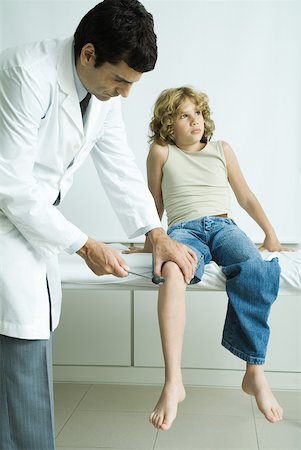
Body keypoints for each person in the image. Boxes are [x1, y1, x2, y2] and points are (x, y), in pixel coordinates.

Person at [0, 3, 197, 449]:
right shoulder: (26, 73)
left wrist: (155, 232)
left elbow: (119, 164)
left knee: (28, 353)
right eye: (122, 81)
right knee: (22, 359)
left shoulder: (103, 92)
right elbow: (11, 186)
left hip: (34, 226)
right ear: (88, 54)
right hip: (8, 220)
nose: (127, 94)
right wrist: (84, 245)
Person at [126, 86, 288, 431]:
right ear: (168, 124)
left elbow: (245, 195)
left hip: (223, 225)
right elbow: (154, 204)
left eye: (197, 113)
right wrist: (150, 243)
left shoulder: (221, 150)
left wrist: (270, 234)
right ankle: (173, 381)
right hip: (182, 230)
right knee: (172, 272)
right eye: (184, 115)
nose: (194, 120)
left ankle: (254, 373)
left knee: (257, 269)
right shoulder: (161, 152)